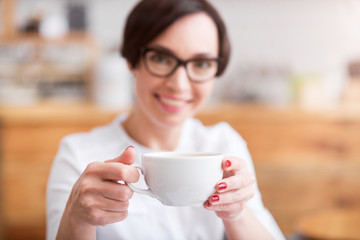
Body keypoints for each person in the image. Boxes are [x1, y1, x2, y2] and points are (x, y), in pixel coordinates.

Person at [46, 0, 285, 239]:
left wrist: (238, 214)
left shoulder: (224, 146)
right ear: (131, 59)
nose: (179, 85)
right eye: (161, 58)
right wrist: (77, 220)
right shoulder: (78, 155)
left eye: (201, 64)